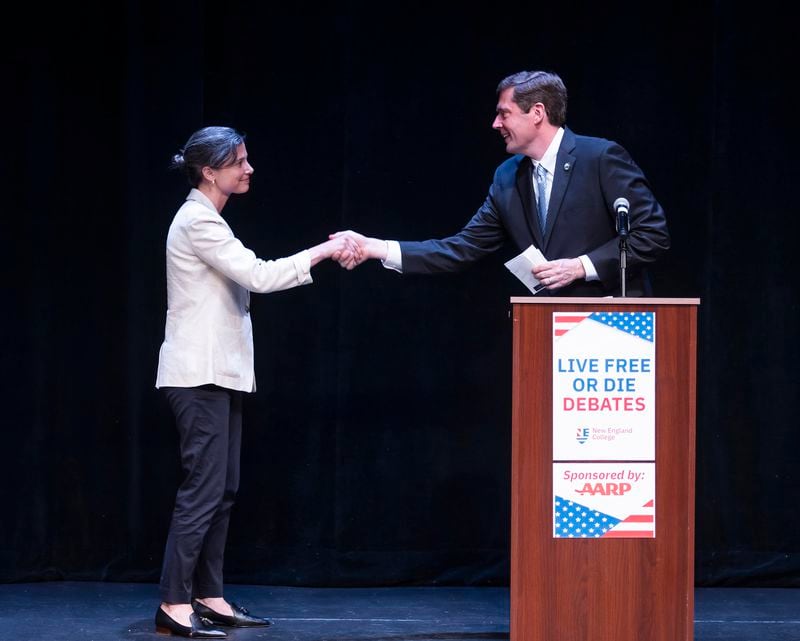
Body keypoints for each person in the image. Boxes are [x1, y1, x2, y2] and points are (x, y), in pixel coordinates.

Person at [154, 126, 358, 638]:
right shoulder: (198, 221)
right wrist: (325, 252)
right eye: (239, 161)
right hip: (196, 374)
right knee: (202, 490)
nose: (248, 168)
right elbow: (261, 276)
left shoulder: (209, 220)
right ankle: (174, 602)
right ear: (210, 171)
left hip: (219, 373)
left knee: (223, 489)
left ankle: (210, 594)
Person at [333, 70, 670, 296]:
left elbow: (651, 234)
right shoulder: (508, 177)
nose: (495, 124)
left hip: (615, 329)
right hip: (549, 332)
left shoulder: (600, 158)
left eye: (504, 113)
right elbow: (460, 249)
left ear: (537, 113)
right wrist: (374, 247)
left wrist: (579, 267)